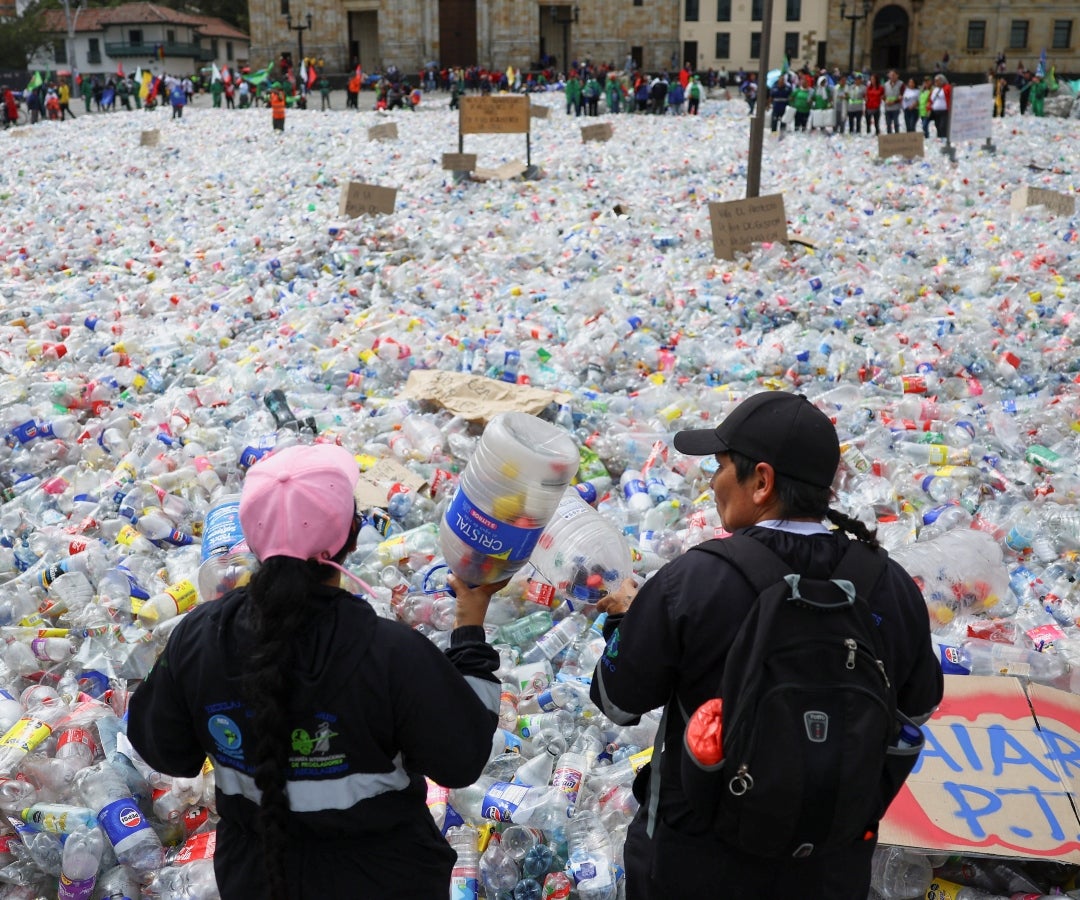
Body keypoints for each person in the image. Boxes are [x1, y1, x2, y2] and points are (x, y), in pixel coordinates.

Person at [589, 391, 943, 900]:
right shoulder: (887, 585)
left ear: (761, 481)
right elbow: (920, 707)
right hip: (828, 869)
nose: (712, 482)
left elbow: (616, 702)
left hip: (697, 867)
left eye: (720, 466)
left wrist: (626, 619)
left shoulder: (692, 581)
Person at [128, 444, 502, 900]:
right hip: (386, 878)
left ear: (251, 537)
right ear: (352, 536)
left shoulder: (200, 637)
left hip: (256, 877)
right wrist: (469, 630)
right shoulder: (392, 653)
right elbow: (462, 759)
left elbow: (164, 751)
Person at [929, 73, 949, 138]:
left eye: (937, 81)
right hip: (935, 111)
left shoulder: (947, 88)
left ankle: (944, 137)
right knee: (937, 125)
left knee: (943, 126)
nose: (935, 82)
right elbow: (931, 100)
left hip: (944, 111)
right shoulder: (934, 89)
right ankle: (939, 137)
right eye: (935, 81)